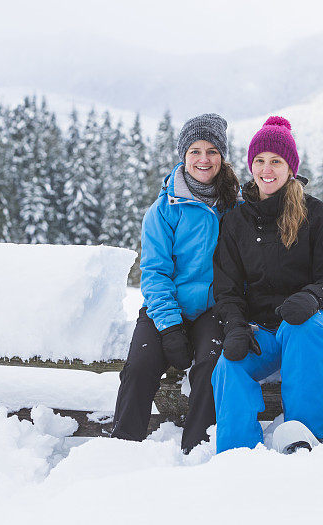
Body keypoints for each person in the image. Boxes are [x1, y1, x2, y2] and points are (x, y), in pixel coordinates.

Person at [210, 116, 323, 453]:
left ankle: (305, 437)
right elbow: (227, 287)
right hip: (266, 329)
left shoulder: (317, 215)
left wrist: (312, 298)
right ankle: (237, 452)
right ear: (251, 166)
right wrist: (234, 327)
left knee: (301, 330)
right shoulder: (236, 222)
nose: (267, 168)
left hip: (318, 324)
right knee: (229, 364)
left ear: (290, 167)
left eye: (276, 160)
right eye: (259, 160)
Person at [112, 113, 240, 453]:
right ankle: (122, 448)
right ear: (183, 155)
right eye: (195, 151)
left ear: (222, 156)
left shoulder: (234, 206)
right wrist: (169, 328)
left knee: (210, 367)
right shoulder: (164, 209)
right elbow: (154, 274)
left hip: (213, 309)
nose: (203, 159)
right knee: (139, 368)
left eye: (212, 151)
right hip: (165, 308)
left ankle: (197, 449)